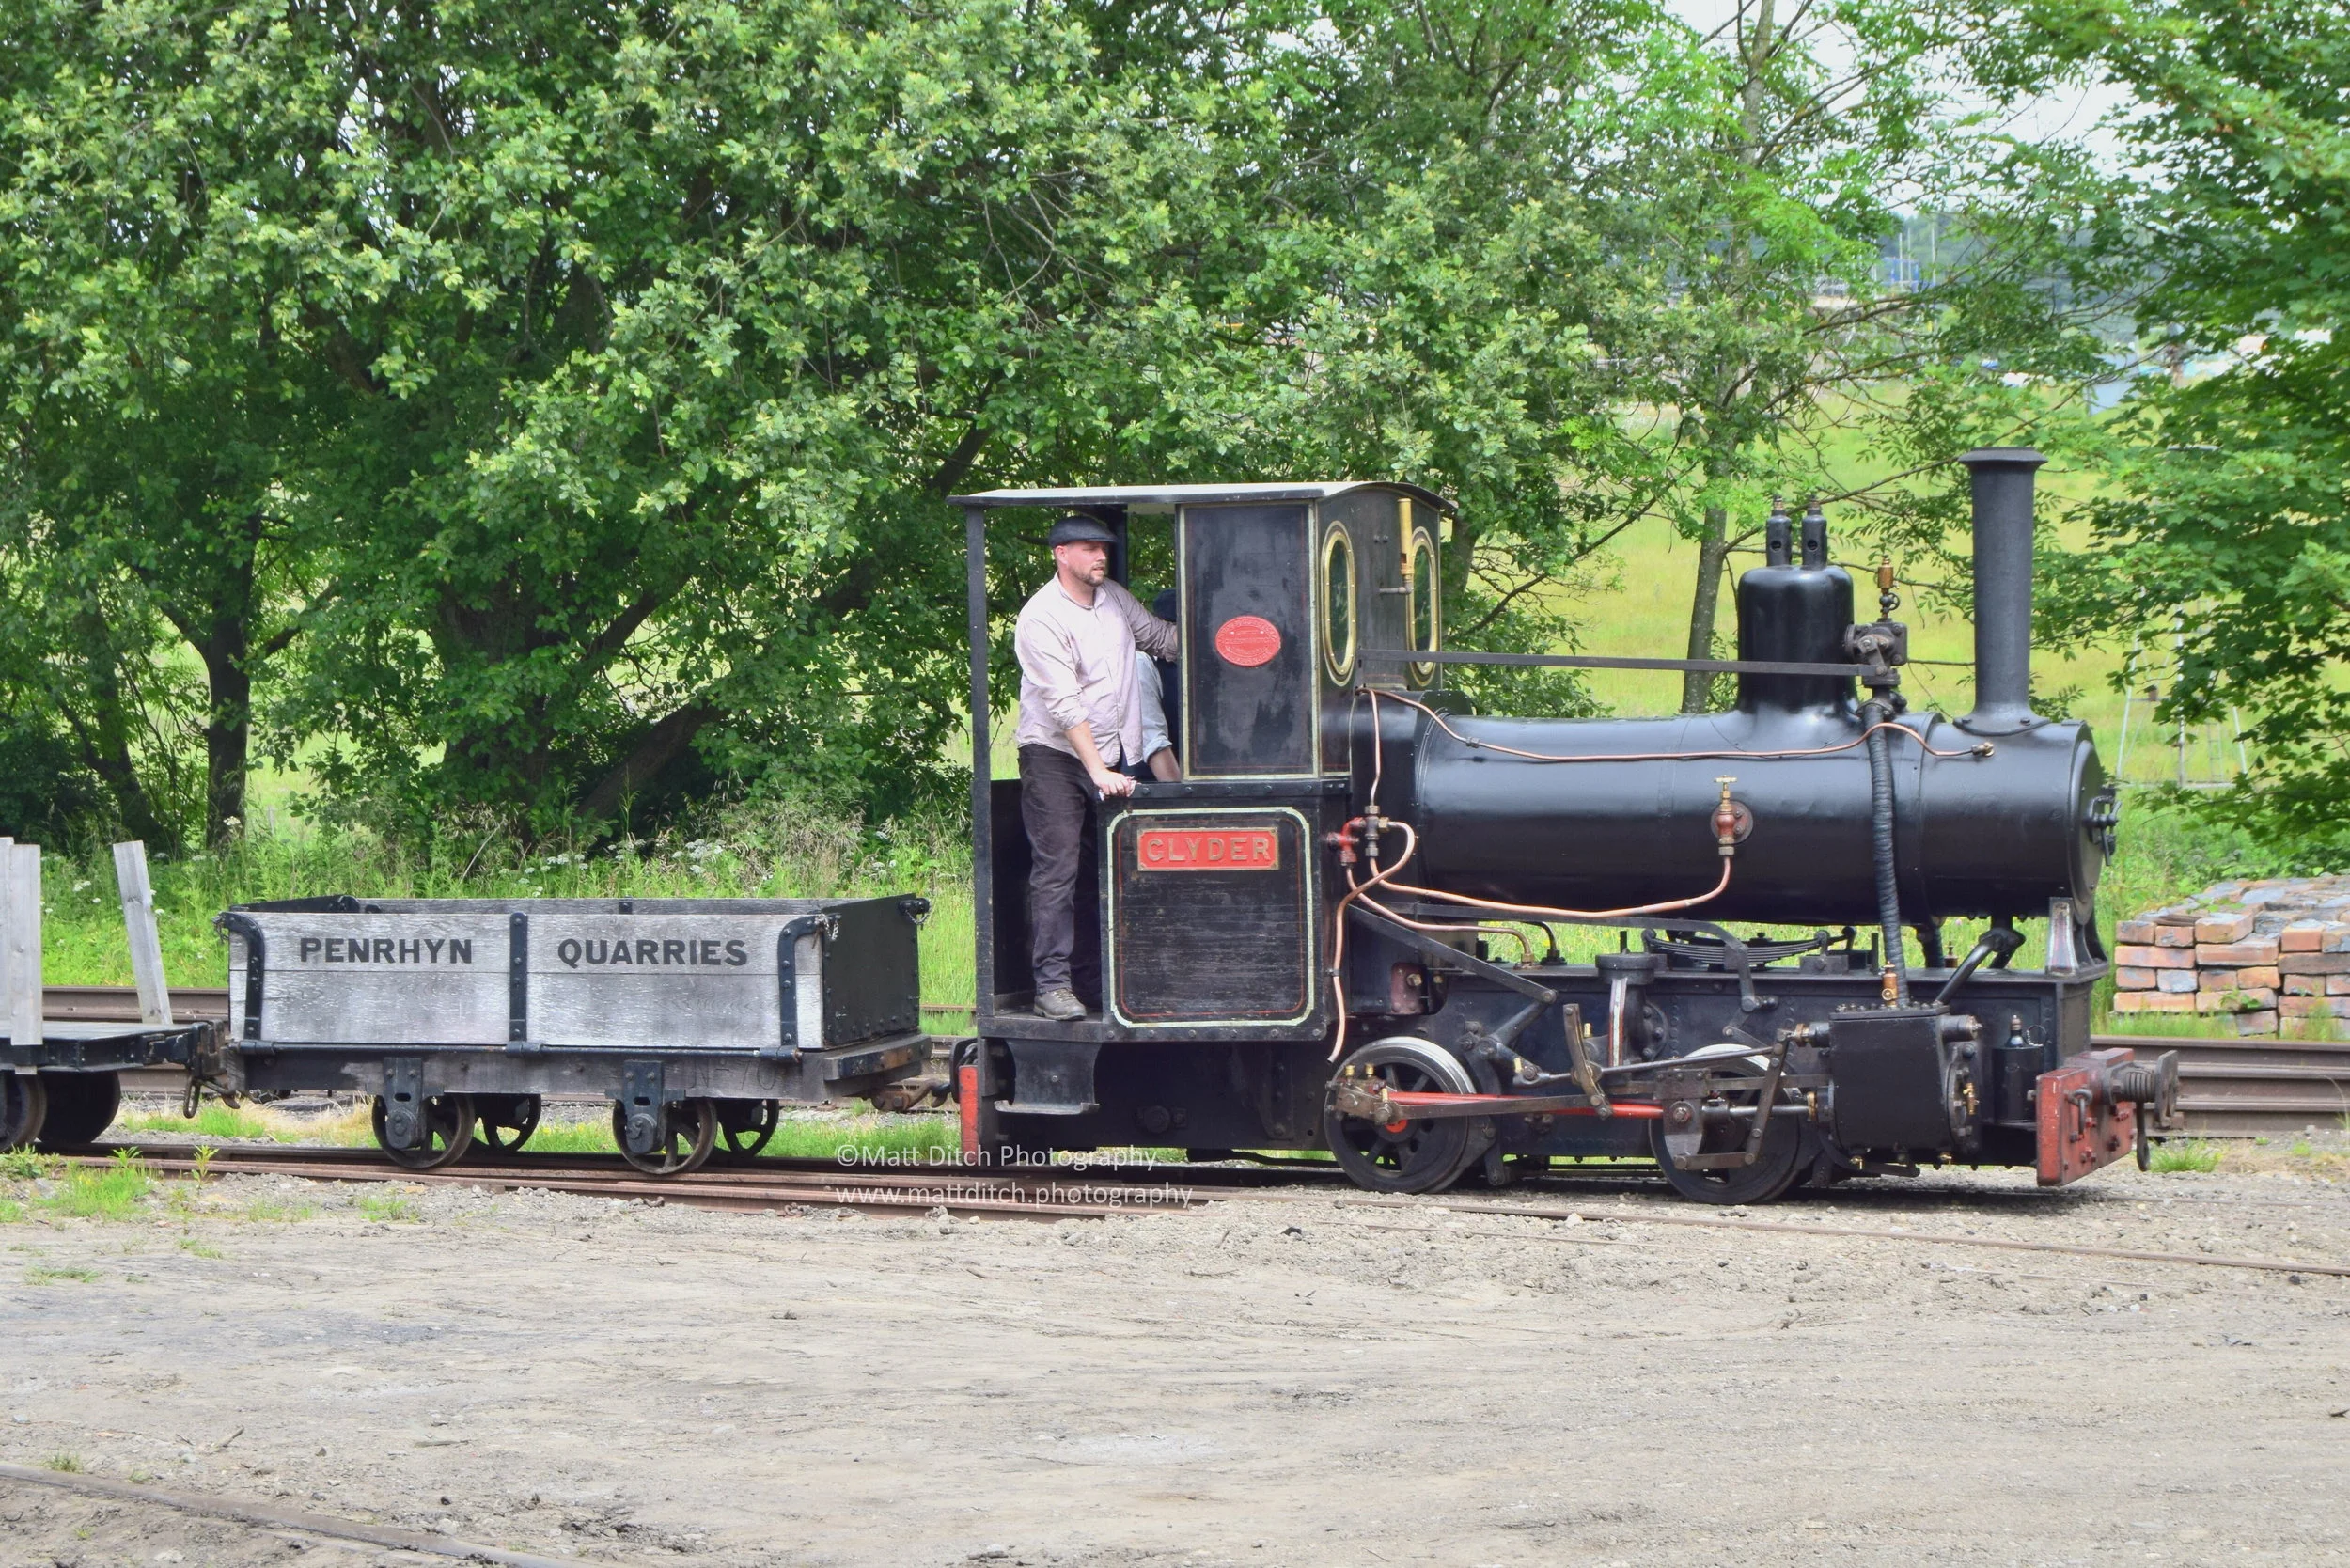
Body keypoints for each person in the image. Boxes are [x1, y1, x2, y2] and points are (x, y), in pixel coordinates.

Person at [1013, 516, 1179, 1020]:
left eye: (1104, 548)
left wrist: (1231, 637)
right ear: (1061, 554)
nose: (1101, 556)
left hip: (1110, 755)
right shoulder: (1040, 617)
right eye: (1089, 549)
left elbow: (1160, 639)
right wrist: (1099, 772)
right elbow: (1065, 708)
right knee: (1058, 871)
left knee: (1104, 873)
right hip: (1056, 759)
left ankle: (1095, 983)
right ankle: (1051, 986)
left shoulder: (1115, 600)